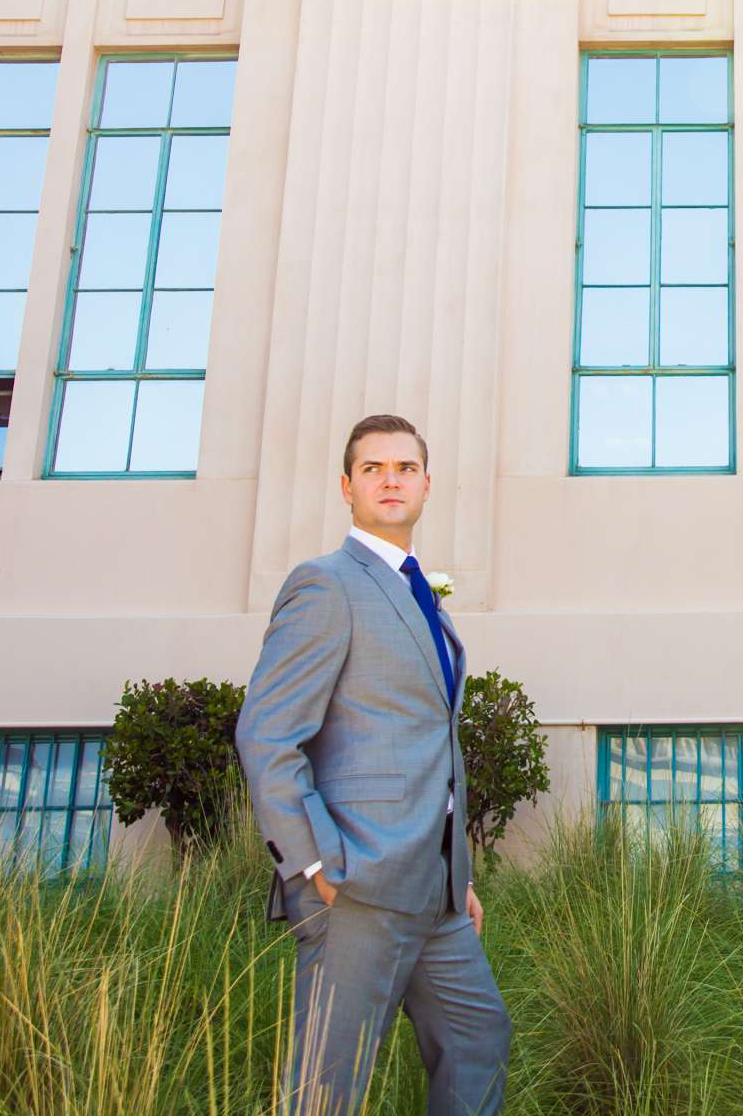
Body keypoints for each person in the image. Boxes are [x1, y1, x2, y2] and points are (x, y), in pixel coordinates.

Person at [236, 414, 510, 1115]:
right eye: (373, 469)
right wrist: (316, 864)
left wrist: (459, 869)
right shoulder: (326, 586)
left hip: (437, 891)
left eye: (405, 468)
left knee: (479, 1038)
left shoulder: (427, 600)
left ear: (425, 485)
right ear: (346, 487)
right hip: (355, 882)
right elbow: (268, 735)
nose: (391, 480)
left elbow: (428, 748)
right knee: (330, 1086)